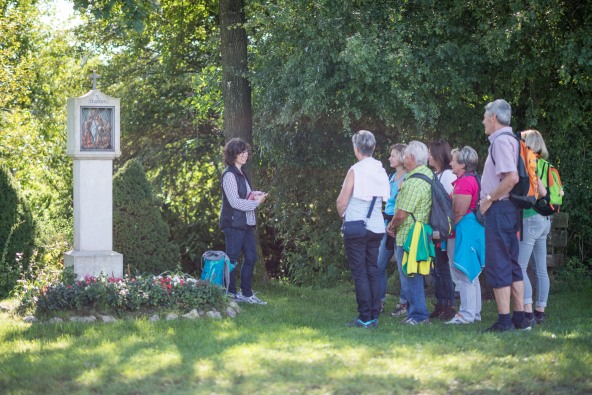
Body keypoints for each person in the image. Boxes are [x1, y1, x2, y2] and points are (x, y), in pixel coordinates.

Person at [479, 99, 531, 331]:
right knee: (512, 263)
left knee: (499, 262)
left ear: (493, 118)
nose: (483, 122)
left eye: (484, 117)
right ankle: (520, 318)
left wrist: (488, 199)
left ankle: (504, 321)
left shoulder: (500, 142)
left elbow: (511, 178)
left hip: (500, 209)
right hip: (511, 209)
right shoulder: (513, 139)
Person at [337, 130, 390, 328]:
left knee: (360, 272)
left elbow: (342, 201)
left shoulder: (355, 170)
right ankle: (374, 316)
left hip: (356, 226)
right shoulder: (381, 170)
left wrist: (343, 215)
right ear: (374, 147)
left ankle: (364, 317)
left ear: (356, 148)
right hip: (376, 226)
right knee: (373, 271)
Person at [387, 141, 433, 325]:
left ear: (412, 158)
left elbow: (401, 214)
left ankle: (419, 316)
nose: (403, 157)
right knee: (415, 274)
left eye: (405, 155)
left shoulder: (413, 182)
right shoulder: (428, 174)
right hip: (421, 231)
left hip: (409, 235)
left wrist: (391, 227)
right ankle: (416, 313)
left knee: (410, 276)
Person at [219, 138, 268, 305]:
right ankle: (231, 294)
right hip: (233, 223)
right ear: (232, 155)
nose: (244, 155)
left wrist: (254, 194)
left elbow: (243, 196)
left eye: (246, 151)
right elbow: (234, 202)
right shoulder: (229, 175)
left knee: (251, 257)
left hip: (246, 223)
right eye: (241, 152)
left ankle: (246, 294)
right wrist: (256, 203)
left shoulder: (241, 173)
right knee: (232, 259)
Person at [446, 147, 485, 324]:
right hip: (472, 229)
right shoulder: (471, 179)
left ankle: (466, 314)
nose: (450, 163)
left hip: (464, 230)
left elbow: (458, 211)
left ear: (462, 164)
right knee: (472, 274)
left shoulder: (465, 182)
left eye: (453, 160)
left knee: (463, 273)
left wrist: (445, 229)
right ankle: (474, 313)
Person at [518, 129, 552, 325]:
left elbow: (541, 190)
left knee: (520, 267)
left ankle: (527, 309)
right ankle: (541, 310)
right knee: (541, 270)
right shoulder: (547, 165)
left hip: (531, 217)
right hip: (545, 219)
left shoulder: (531, 163)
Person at [427, 140, 457, 320]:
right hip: (435, 228)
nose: (428, 156)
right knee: (437, 268)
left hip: (444, 230)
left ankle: (449, 305)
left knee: (443, 268)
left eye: (431, 153)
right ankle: (440, 303)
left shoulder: (447, 176)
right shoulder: (436, 174)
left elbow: (448, 204)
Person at [376, 144, 407, 315]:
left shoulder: (409, 178)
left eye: (393, 155)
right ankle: (379, 301)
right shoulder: (391, 176)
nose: (390, 158)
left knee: (403, 268)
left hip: (399, 225)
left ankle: (404, 304)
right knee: (379, 265)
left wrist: (395, 225)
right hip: (385, 224)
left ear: (402, 157)